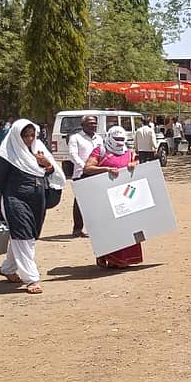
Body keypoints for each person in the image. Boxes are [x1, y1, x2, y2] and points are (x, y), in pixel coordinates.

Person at [0, 119, 65, 294]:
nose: (30, 139)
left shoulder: (37, 150)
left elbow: (51, 172)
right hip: (14, 199)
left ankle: (8, 268)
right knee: (23, 236)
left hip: (37, 200)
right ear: (17, 136)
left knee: (28, 236)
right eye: (25, 136)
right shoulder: (5, 156)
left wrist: (46, 164)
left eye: (32, 135)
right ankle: (31, 278)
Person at [83, 126, 143, 269]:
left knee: (127, 227)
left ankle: (124, 259)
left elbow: (137, 164)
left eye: (122, 139)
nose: (119, 142)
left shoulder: (129, 153)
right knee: (107, 228)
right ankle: (107, 257)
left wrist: (134, 164)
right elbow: (88, 168)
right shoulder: (100, 151)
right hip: (104, 197)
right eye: (116, 139)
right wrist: (106, 169)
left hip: (125, 197)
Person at [67, 115, 102, 238]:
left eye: (94, 123)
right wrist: (85, 167)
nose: (93, 125)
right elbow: (73, 155)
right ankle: (77, 229)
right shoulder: (75, 138)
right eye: (90, 123)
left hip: (96, 173)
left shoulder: (99, 138)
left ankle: (95, 228)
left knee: (96, 202)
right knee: (80, 202)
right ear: (83, 125)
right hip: (81, 173)